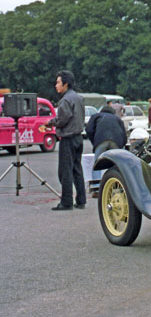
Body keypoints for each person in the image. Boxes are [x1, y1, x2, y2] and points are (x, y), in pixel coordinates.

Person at [44, 70, 86, 211]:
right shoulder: (79, 98)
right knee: (77, 169)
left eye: (58, 82)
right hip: (78, 138)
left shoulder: (65, 100)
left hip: (68, 138)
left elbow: (62, 119)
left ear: (66, 84)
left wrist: (50, 122)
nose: (56, 85)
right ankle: (81, 200)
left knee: (65, 171)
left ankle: (66, 202)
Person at [85, 105, 127, 192]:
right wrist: (121, 146)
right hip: (116, 142)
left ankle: (96, 188)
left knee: (97, 164)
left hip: (101, 141)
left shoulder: (96, 116)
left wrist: (95, 141)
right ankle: (116, 186)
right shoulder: (118, 119)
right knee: (116, 164)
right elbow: (124, 135)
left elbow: (89, 130)